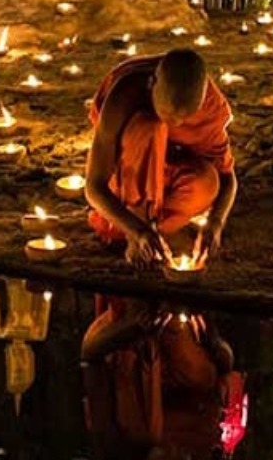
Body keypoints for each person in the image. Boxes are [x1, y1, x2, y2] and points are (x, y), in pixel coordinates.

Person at [85, 50, 238, 268]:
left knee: (207, 183)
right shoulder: (124, 96)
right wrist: (136, 229)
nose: (175, 124)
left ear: (202, 100)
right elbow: (93, 186)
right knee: (150, 128)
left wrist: (215, 223)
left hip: (167, 177)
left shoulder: (210, 109)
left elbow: (228, 179)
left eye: (184, 119)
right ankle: (132, 229)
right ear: (152, 83)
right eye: (167, 114)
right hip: (128, 181)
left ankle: (145, 231)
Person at [82, 297, 233, 460]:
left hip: (134, 329)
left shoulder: (121, 445)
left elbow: (90, 355)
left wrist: (131, 329)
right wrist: (214, 341)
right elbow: (224, 369)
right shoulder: (204, 442)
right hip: (177, 317)